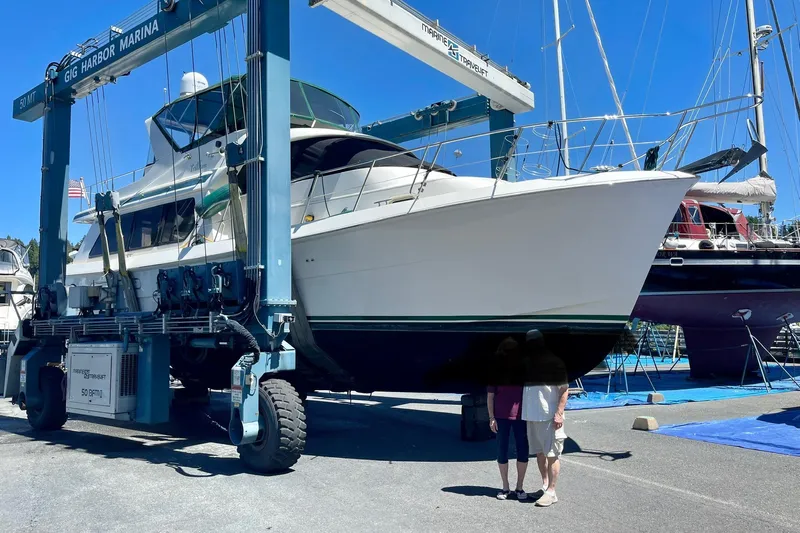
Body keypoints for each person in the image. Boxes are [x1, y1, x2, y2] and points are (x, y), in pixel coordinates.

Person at [520, 330, 569, 507]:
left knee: (552, 454)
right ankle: (544, 485)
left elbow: (564, 390)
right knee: (539, 453)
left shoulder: (555, 363)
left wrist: (559, 413)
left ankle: (552, 491)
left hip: (549, 417)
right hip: (532, 416)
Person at [487, 337, 529, 501]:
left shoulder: (524, 371)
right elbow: (490, 396)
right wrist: (491, 417)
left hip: (522, 416)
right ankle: (505, 487)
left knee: (523, 451)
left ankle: (519, 487)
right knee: (501, 450)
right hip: (501, 417)